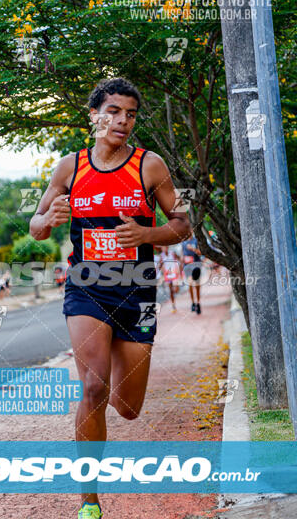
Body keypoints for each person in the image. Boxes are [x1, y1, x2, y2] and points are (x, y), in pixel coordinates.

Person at [30, 77, 191, 519]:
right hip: (86, 288)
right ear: (95, 115)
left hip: (137, 290)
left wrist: (147, 233)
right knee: (93, 386)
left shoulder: (149, 166)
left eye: (131, 114)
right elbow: (36, 225)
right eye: (114, 111)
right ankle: (89, 499)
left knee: (128, 407)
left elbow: (183, 224)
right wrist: (48, 217)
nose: (123, 121)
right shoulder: (70, 167)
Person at [182, 234, 202, 314]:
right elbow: (182, 254)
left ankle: (198, 303)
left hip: (196, 265)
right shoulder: (183, 242)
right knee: (190, 284)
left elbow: (200, 253)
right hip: (187, 266)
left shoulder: (196, 241)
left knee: (197, 285)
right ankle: (193, 303)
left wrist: (193, 249)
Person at [160, 245, 181, 312]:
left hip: (174, 273)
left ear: (167, 247)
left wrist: (179, 267)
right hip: (168, 274)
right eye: (163, 247)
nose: (164, 248)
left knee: (176, 289)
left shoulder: (172, 253)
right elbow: (160, 265)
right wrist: (162, 270)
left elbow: (179, 258)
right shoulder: (162, 255)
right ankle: (173, 305)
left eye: (165, 247)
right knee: (171, 290)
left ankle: (176, 290)